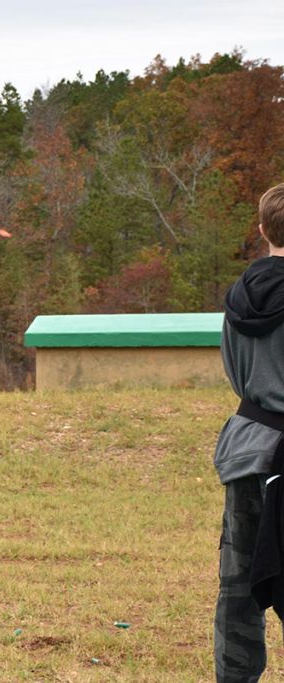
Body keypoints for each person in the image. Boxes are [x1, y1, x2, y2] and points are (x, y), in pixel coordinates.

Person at [216, 182, 284, 682]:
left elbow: (235, 374)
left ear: (262, 229)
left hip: (248, 449)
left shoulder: (238, 298)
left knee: (239, 591)